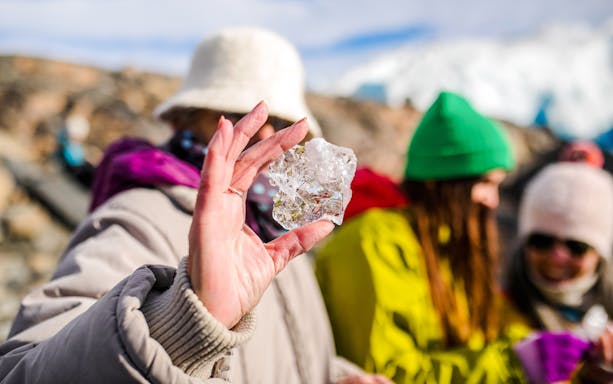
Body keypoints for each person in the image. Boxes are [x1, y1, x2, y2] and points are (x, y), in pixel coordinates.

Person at [0, 27, 390, 384]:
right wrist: (184, 322)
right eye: (245, 115)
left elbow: (281, 355)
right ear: (188, 119)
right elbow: (22, 370)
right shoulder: (138, 216)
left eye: (283, 119)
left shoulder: (279, 231)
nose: (268, 132)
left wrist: (337, 377)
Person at [315, 91, 532, 383]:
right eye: (484, 183)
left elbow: (496, 321)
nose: (492, 200)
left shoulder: (445, 243)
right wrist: (514, 365)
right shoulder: (373, 243)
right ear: (443, 182)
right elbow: (384, 372)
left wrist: (545, 349)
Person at [504, 162, 613, 382]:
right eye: (542, 241)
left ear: (600, 254)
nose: (557, 257)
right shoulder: (489, 312)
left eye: (576, 246)